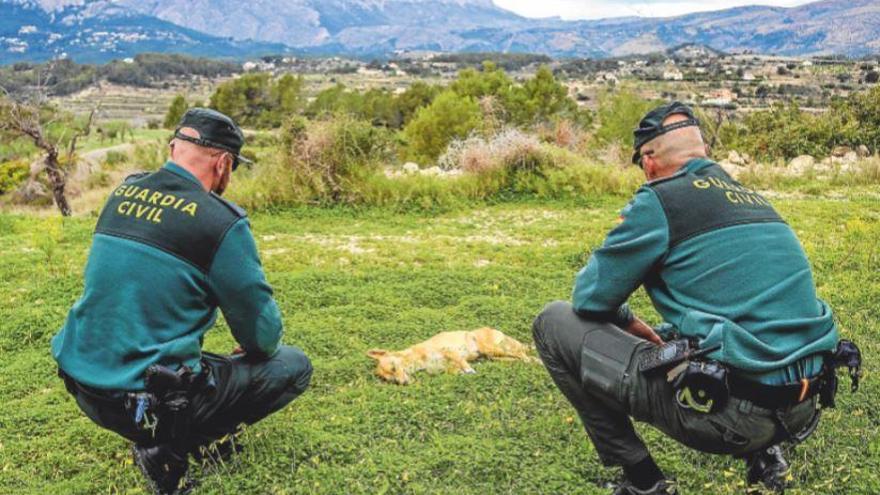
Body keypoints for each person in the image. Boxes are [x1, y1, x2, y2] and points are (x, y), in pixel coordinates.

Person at [532, 102, 842, 495]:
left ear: (649, 159)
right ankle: (767, 456)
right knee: (749, 322)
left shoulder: (660, 200)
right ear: (702, 153)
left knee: (553, 322)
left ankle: (644, 482)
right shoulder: (756, 200)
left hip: (734, 418)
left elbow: (590, 299)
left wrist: (628, 321)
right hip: (803, 409)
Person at [52, 108, 312, 495]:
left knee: (200, 364)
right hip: (146, 402)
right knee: (292, 365)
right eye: (232, 167)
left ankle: (165, 433)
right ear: (224, 163)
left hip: (82, 382)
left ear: (173, 147)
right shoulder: (220, 222)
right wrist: (255, 349)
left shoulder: (122, 193)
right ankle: (167, 447)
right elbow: (263, 333)